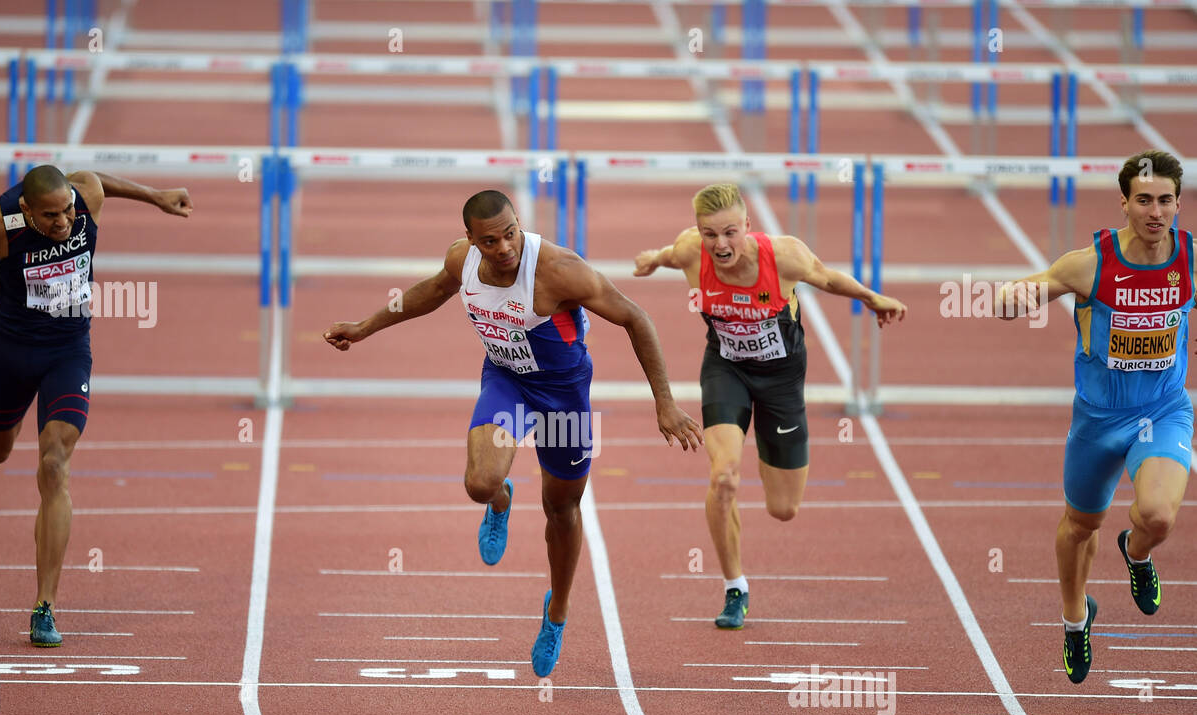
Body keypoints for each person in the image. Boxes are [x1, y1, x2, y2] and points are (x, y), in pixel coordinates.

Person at [324, 189, 702, 677]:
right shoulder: (462, 262)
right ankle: (500, 501)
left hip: (563, 396)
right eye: (490, 240)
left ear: (518, 223)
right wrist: (364, 327)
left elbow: (636, 317)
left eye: (510, 233)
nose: (504, 247)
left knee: (561, 508)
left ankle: (557, 612)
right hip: (507, 382)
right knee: (479, 484)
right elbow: (430, 292)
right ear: (470, 240)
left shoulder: (559, 269)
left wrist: (665, 402)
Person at [0, 164, 192, 647]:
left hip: (67, 352)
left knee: (54, 464)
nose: (63, 223)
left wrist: (156, 196)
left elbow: (99, 179)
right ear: (27, 209)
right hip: (10, 351)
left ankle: (44, 605)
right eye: (51, 216)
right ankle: (9, 416)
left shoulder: (85, 196)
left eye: (68, 211)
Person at [633, 183, 906, 629]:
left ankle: (767, 451)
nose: (720, 245)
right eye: (710, 234)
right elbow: (669, 253)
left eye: (729, 233)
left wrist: (873, 299)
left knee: (783, 509)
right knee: (723, 479)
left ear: (748, 227)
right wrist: (652, 260)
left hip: (781, 381)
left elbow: (827, 276)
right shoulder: (690, 251)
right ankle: (734, 587)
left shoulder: (783, 256)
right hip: (726, 370)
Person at [995, 149, 1192, 684]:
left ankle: (1138, 551)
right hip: (1099, 419)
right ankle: (1076, 619)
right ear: (1124, 203)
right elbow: (1022, 294)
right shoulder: (1091, 263)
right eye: (1145, 200)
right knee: (1081, 524)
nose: (1156, 211)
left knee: (1157, 516)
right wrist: (1012, 299)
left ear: (1179, 203)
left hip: (1163, 409)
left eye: (1166, 201)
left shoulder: (1190, 260)